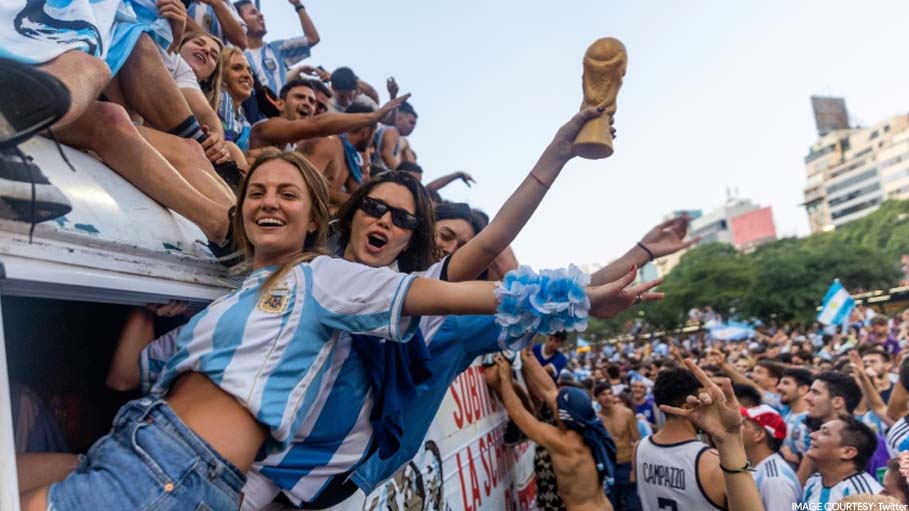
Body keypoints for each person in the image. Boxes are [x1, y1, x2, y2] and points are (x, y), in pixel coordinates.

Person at [20, 146, 645, 510]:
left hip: (231, 481)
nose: (384, 220)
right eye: (373, 205)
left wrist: (585, 289)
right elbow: (128, 375)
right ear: (347, 216)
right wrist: (148, 304)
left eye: (402, 219)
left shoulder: (363, 293)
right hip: (141, 445)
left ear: (410, 241)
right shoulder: (258, 290)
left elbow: (482, 267)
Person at [496, 356, 616, 511]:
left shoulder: (564, 443)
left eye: (556, 406)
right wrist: (527, 355)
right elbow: (550, 391)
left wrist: (505, 378)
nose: (552, 404)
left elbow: (517, 412)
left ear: (563, 415)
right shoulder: (592, 428)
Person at [655, 359, 765, 511]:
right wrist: (729, 440)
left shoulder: (639, 448)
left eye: (720, 387)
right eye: (709, 388)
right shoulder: (711, 460)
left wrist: (729, 438)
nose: (715, 394)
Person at [633, 366, 727, 511]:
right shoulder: (713, 461)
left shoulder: (639, 448)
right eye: (703, 401)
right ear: (687, 407)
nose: (709, 406)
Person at [248, 79, 406, 151]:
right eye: (299, 97)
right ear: (280, 104)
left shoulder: (293, 148)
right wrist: (373, 117)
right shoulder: (267, 126)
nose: (307, 104)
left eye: (311, 101)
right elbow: (318, 126)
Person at [235, 0, 320, 94]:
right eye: (253, 12)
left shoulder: (278, 48)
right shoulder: (237, 55)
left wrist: (298, 5)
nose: (261, 15)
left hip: (280, 108)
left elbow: (312, 38)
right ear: (240, 21)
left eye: (259, 12)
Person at [801, 416, 882, 506]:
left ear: (848, 452)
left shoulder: (866, 496)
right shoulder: (813, 482)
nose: (812, 435)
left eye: (824, 433)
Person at [740, 405, 802, 510]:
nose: (737, 427)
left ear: (759, 435)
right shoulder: (755, 466)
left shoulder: (774, 481)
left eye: (744, 424)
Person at [595, 383, 641, 511]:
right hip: (609, 467)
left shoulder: (626, 413)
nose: (607, 397)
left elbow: (637, 441)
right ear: (597, 398)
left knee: (633, 505)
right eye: (603, 394)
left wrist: (634, 470)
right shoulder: (596, 419)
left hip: (627, 464)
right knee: (612, 505)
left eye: (610, 393)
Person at [777, 367, 812, 467]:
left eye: (786, 383)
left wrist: (793, 457)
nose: (779, 387)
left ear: (803, 389)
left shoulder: (813, 419)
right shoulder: (785, 413)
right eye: (780, 383)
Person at [373, 101, 417, 171]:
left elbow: (413, 166)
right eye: (411, 122)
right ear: (399, 119)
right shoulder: (392, 131)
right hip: (379, 171)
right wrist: (399, 176)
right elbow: (386, 154)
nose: (413, 127)